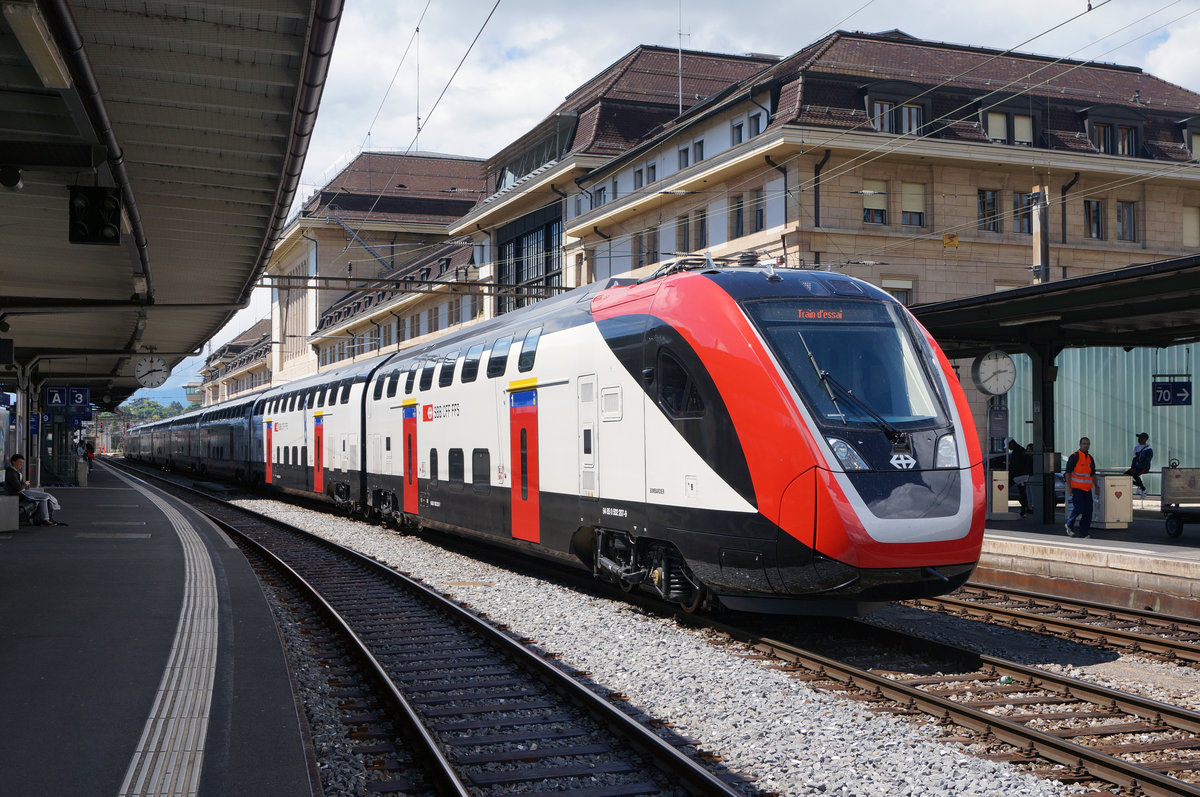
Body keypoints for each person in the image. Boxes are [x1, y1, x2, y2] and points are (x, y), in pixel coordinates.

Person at [4, 454, 64, 526]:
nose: (21, 464)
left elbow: (21, 486)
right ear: (14, 462)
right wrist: (25, 484)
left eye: (22, 463)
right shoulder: (11, 472)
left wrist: (23, 486)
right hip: (18, 494)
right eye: (19, 462)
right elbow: (19, 488)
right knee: (45, 496)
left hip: (22, 492)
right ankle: (46, 519)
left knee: (44, 498)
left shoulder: (16, 472)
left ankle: (46, 519)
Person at [1064, 437, 1098, 538]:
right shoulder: (1074, 456)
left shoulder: (1090, 458)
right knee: (1079, 507)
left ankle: (1084, 531)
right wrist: (1069, 487)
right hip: (1076, 488)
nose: (1086, 445)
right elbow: (1068, 473)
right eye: (1084, 444)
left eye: (1087, 444)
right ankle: (1070, 523)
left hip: (1087, 489)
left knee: (1088, 510)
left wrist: (1097, 487)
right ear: (1080, 445)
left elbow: (1093, 474)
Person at [1007, 438, 1032, 517]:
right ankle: (1024, 510)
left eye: (1008, 446)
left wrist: (1010, 469)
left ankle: (1024, 509)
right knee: (1023, 492)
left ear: (1011, 444)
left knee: (1006, 487)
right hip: (1024, 475)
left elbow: (1015, 465)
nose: (1008, 448)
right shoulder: (1021, 449)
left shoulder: (1016, 452)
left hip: (1018, 475)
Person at [1124, 432, 1153, 498]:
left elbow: (1147, 461)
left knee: (1135, 474)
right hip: (1136, 467)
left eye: (1140, 438)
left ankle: (1142, 488)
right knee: (1125, 476)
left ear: (1145, 439)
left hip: (1144, 467)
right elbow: (1134, 458)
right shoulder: (1136, 447)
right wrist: (1132, 467)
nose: (1139, 439)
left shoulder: (1149, 449)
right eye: (1138, 438)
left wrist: (1136, 467)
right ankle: (1141, 487)